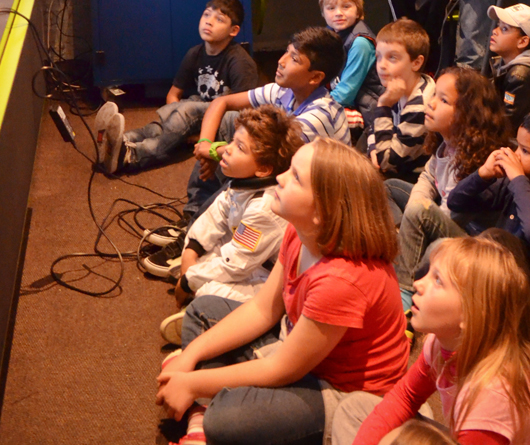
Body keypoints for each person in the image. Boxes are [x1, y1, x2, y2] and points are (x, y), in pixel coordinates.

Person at [157, 140, 408, 445]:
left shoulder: (342, 280)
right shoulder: (299, 230)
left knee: (226, 420)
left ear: (322, 212)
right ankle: (201, 418)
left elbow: (281, 369)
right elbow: (263, 310)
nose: (280, 177)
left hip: (342, 391)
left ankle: (204, 414)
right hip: (296, 350)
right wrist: (191, 359)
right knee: (203, 310)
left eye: (296, 177)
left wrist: (193, 381)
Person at [334, 234, 530, 445]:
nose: (418, 283)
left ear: (471, 314)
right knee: (355, 408)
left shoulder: (491, 394)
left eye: (438, 280)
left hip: (473, 427)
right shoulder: (440, 342)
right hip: (462, 430)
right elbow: (405, 397)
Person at [161, 106, 303, 346]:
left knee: (207, 291)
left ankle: (214, 324)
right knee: (202, 258)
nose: (225, 149)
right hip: (249, 262)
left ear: (263, 169)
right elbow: (215, 215)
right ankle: (199, 303)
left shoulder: (265, 208)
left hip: (267, 280)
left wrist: (189, 279)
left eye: (239, 147)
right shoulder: (243, 182)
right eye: (232, 141)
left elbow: (236, 263)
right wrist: (191, 250)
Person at [182, 27, 349, 226]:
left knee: (248, 171)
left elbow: (260, 158)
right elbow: (221, 103)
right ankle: (193, 214)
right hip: (284, 168)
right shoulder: (283, 91)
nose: (281, 60)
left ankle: (196, 227)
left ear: (315, 78)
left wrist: (212, 151)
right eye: (287, 51)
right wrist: (205, 143)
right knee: (229, 121)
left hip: (317, 197)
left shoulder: (318, 117)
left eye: (294, 59)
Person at [94, 0, 257, 175]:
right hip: (199, 114)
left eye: (219, 20)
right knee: (162, 125)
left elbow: (245, 113)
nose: (209, 22)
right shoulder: (194, 54)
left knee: (188, 109)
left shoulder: (240, 62)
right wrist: (176, 124)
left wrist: (203, 135)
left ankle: (132, 155)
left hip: (226, 120)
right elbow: (173, 94)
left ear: (233, 31)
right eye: (206, 15)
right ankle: (118, 142)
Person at [393, 67, 508, 306]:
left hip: (469, 238)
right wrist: (413, 216)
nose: (431, 104)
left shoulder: (479, 157)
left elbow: (456, 215)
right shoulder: (445, 143)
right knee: (389, 187)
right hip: (439, 217)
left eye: (443, 100)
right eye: (434, 95)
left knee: (427, 228)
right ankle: (399, 245)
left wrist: (418, 215)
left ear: (468, 115)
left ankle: (403, 297)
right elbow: (426, 178)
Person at [446, 109, 530, 272]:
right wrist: (483, 174)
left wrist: (518, 180)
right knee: (422, 212)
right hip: (491, 260)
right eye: (517, 147)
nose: (516, 156)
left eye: (525, 151)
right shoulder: (515, 181)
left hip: (516, 276)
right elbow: (456, 202)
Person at [364, 18, 436, 183]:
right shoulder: (398, 85)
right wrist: (373, 148)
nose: (381, 65)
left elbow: (387, 162)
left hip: (412, 178)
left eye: (392, 58)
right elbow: (371, 129)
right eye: (379, 57)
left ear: (416, 63)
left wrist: (383, 106)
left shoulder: (420, 106)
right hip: (392, 160)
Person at [319, 0, 381, 120]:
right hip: (344, 98)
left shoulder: (361, 43)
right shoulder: (329, 35)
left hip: (366, 108)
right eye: (331, 8)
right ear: (323, 13)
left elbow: (346, 92)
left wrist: (317, 106)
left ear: (358, 12)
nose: (338, 13)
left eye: (346, 7)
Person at [485, 3, 530, 128]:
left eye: (504, 29)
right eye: (497, 26)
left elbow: (508, 122)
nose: (494, 31)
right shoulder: (509, 65)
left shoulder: (519, 75)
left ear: (522, 41)